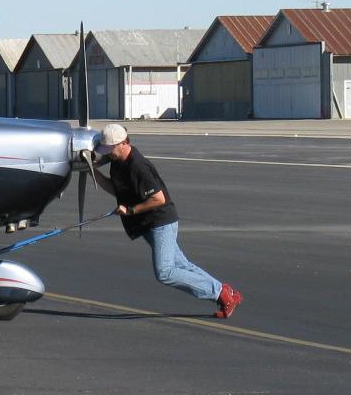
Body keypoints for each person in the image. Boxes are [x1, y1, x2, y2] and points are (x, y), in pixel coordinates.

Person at [86, 123, 242, 318]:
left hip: (160, 221)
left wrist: (131, 209)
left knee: (165, 272)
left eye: (110, 149)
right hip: (147, 224)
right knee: (182, 265)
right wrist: (93, 171)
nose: (108, 154)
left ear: (124, 143)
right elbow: (115, 189)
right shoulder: (117, 162)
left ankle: (221, 293)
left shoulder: (138, 166)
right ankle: (226, 294)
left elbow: (159, 199)